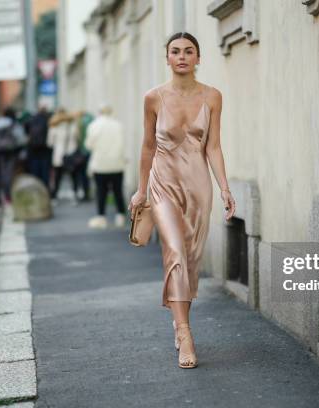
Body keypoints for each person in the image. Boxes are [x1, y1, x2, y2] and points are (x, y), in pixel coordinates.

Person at [129, 32, 236, 369]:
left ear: (198, 58)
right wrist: (140, 189)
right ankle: (187, 334)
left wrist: (224, 187)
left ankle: (178, 321)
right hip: (163, 185)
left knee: (190, 261)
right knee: (174, 250)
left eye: (189, 51)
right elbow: (147, 147)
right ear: (168, 58)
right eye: (175, 51)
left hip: (198, 188)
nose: (182, 56)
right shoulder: (153, 98)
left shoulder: (213, 97)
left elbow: (213, 147)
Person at [85, 105, 127, 229]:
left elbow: (88, 145)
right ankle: (120, 216)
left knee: (101, 191)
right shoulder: (118, 125)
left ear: (99, 112)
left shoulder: (93, 126)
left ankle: (101, 217)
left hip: (100, 164)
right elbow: (122, 144)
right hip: (117, 164)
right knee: (118, 191)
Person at [0, 107, 26, 204]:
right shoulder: (13, 124)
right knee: (8, 174)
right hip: (11, 151)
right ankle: (8, 196)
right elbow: (21, 138)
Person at [47, 107, 78, 202]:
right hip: (71, 154)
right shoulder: (72, 126)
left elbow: (50, 143)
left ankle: (54, 197)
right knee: (73, 177)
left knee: (57, 177)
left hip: (59, 155)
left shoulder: (53, 127)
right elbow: (77, 139)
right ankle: (74, 195)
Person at [26, 105, 52, 188]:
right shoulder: (48, 120)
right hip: (45, 148)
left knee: (35, 170)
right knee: (45, 171)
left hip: (33, 148)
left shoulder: (31, 120)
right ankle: (45, 188)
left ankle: (35, 187)